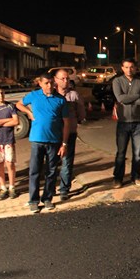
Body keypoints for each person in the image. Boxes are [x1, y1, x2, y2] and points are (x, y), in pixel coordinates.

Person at [16, 73, 71, 213]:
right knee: (34, 171)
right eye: (46, 83)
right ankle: (33, 200)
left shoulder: (60, 100)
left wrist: (64, 143)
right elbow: (19, 104)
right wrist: (28, 112)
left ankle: (47, 198)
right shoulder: (34, 95)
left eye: (51, 83)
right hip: (37, 140)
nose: (49, 86)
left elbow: (66, 123)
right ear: (40, 83)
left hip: (54, 141)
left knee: (51, 172)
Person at [112, 58, 140, 188]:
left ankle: (136, 176)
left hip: (138, 123)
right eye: (126, 67)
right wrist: (137, 96)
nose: (129, 69)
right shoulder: (117, 81)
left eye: (131, 67)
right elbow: (120, 98)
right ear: (122, 68)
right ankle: (118, 178)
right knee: (121, 153)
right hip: (123, 122)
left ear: (135, 68)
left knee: (137, 154)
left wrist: (129, 100)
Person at [54, 69, 86, 201]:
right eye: (62, 78)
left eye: (67, 78)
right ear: (55, 80)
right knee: (52, 162)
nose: (65, 81)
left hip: (70, 133)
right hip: (54, 134)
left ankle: (64, 189)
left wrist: (75, 122)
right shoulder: (51, 95)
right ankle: (50, 188)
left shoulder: (73, 95)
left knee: (67, 162)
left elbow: (81, 113)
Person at [0, 86, 19, 200]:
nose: (0, 95)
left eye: (2, 93)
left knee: (10, 163)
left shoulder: (10, 106)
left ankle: (12, 187)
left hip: (9, 139)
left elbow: (16, 121)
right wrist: (7, 120)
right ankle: (3, 187)